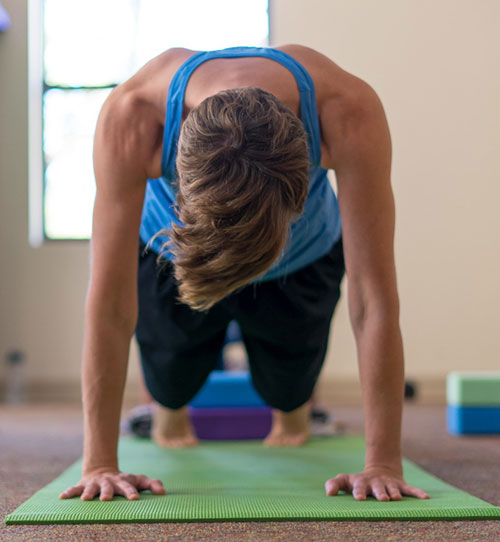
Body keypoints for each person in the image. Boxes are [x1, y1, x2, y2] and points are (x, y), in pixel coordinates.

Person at [59, 44, 430, 503]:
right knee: (171, 381)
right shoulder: (133, 114)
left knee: (289, 386)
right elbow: (111, 305)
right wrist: (99, 463)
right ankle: (168, 414)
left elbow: (373, 299)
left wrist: (383, 463)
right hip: (175, 249)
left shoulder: (347, 108)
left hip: (300, 255)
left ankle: (294, 415)